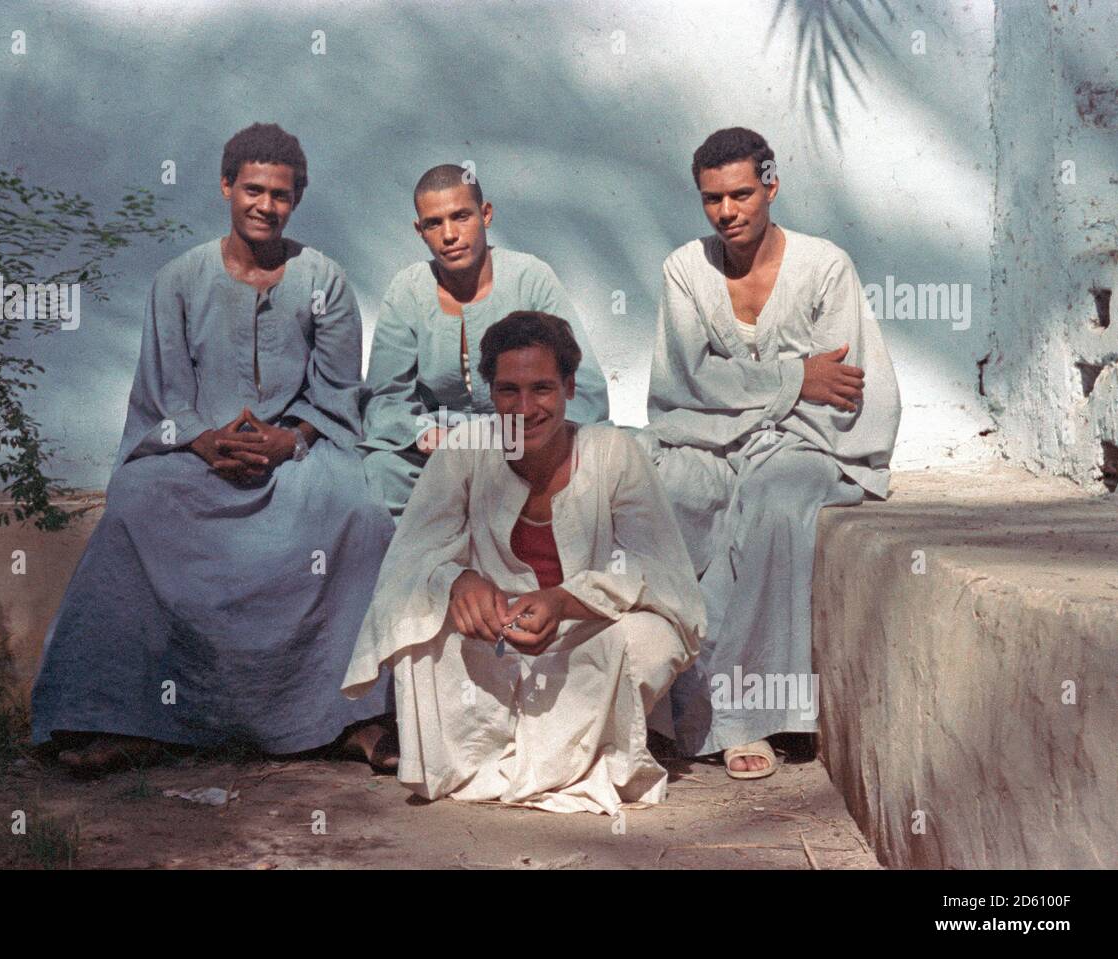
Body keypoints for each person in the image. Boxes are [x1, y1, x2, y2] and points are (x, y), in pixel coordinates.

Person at [31, 123, 398, 775]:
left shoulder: (326, 281)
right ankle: (125, 719)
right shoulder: (178, 280)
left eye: (280, 194)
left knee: (361, 517)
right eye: (253, 189)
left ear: (296, 199)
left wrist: (290, 437)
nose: (265, 204)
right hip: (199, 456)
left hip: (300, 458)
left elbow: (339, 392)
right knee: (135, 508)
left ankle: (353, 717)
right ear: (227, 186)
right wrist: (206, 440)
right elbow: (164, 393)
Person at [343, 311, 706, 814]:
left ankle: (541, 753)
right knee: (413, 622)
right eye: (508, 390)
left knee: (649, 639)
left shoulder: (614, 453)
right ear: (489, 394)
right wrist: (457, 580)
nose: (525, 408)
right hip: (493, 646)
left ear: (570, 387)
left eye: (542, 389)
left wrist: (566, 600)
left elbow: (658, 571)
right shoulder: (465, 452)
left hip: (586, 638)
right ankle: (516, 755)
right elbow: (408, 563)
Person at [638, 127, 900, 779]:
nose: (727, 211)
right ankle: (641, 699)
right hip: (705, 432)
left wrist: (762, 392)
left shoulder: (824, 267)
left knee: (773, 500)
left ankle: (742, 717)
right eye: (712, 199)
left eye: (741, 194)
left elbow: (840, 387)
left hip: (807, 440)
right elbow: (687, 381)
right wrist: (790, 376)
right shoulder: (684, 270)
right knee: (661, 489)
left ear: (771, 186)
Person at [359, 165, 610, 517]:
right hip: (442, 449)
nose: (449, 234)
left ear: (486, 214)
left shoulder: (530, 278)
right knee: (381, 471)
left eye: (461, 216)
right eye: (434, 223)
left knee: (621, 456)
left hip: (527, 439)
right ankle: (430, 568)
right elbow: (384, 398)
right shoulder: (408, 290)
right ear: (420, 230)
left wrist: (511, 436)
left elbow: (585, 389)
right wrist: (423, 433)